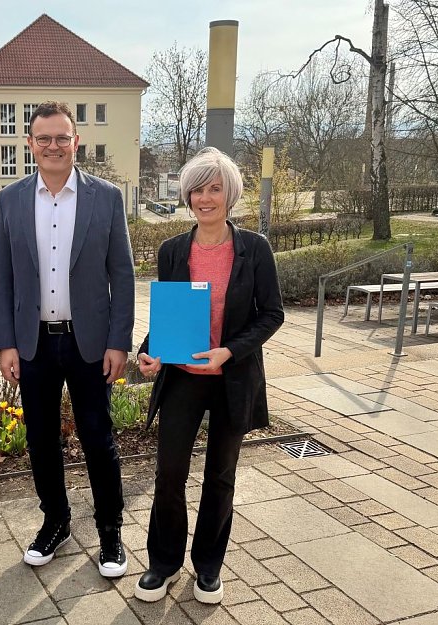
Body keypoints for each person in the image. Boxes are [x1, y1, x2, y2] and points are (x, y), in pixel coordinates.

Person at [0, 101, 135, 577]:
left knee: (98, 437)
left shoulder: (106, 197)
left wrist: (119, 341)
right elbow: (4, 278)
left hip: (89, 343)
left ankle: (110, 531)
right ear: (30, 144)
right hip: (32, 344)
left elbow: (123, 274)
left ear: (76, 142)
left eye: (62, 138)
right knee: (41, 439)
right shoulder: (10, 200)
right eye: (43, 138)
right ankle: (55, 521)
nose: (53, 146)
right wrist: (5, 343)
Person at [133, 147, 284, 605]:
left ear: (230, 194)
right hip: (182, 378)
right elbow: (168, 318)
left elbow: (271, 315)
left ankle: (209, 567)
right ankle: (163, 563)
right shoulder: (172, 250)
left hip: (232, 378)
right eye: (197, 188)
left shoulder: (254, 249)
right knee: (169, 473)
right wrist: (149, 352)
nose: (204, 197)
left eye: (214, 188)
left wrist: (228, 352)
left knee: (220, 476)